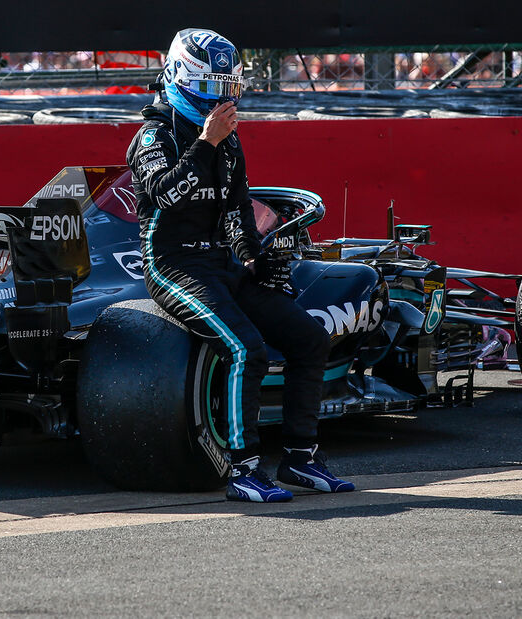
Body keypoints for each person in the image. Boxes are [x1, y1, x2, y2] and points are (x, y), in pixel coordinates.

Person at [126, 28, 355, 503]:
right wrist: (206, 143)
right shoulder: (153, 135)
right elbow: (166, 195)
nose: (221, 99)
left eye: (227, 88)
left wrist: (255, 256)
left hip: (222, 264)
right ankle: (243, 467)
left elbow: (237, 210)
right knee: (245, 348)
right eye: (210, 87)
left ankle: (300, 457)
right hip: (173, 265)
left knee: (309, 338)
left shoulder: (228, 142)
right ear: (179, 78)